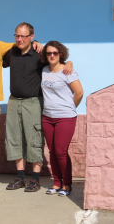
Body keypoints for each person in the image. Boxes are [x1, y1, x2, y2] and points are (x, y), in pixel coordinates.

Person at [2, 23, 73, 192]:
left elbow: (56, 62)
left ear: (31, 37)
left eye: (23, 36)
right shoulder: (11, 53)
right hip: (13, 101)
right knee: (15, 139)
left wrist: (69, 62)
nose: (19, 39)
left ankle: (34, 179)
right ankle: (20, 178)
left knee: (34, 139)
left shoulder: (39, 54)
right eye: (17, 36)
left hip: (33, 102)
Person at [40, 41, 83, 197]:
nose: (52, 55)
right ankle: (56, 182)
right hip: (47, 117)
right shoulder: (44, 70)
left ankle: (67, 184)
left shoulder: (68, 71)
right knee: (52, 151)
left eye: (55, 53)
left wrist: (69, 108)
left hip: (65, 117)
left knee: (60, 151)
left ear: (61, 54)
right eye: (49, 53)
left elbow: (79, 93)